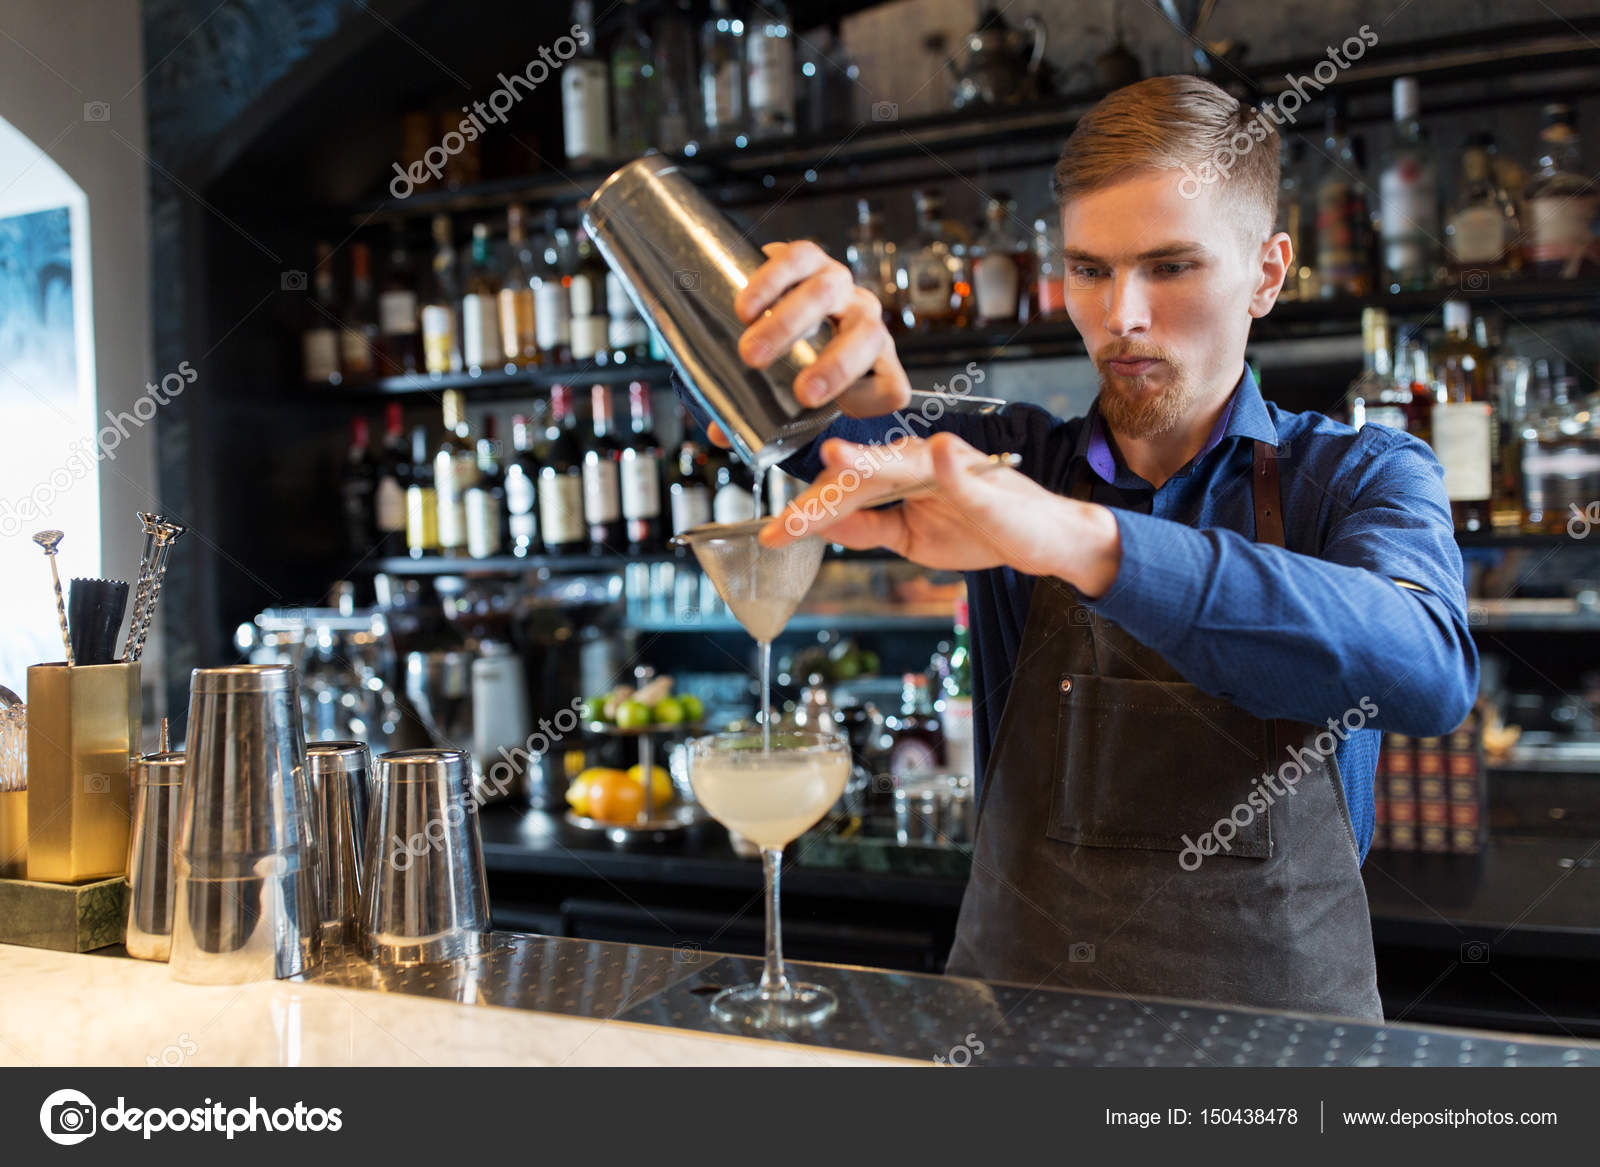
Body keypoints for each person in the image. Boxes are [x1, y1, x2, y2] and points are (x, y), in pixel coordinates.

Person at [687, 76, 1476, 1021]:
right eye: (1091, 270)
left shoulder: (1358, 475)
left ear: (1268, 273)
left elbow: (1425, 666)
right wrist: (800, 341)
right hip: (1015, 1058)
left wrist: (1087, 540)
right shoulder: (1007, 458)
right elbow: (801, 426)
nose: (1122, 315)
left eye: (1171, 267)